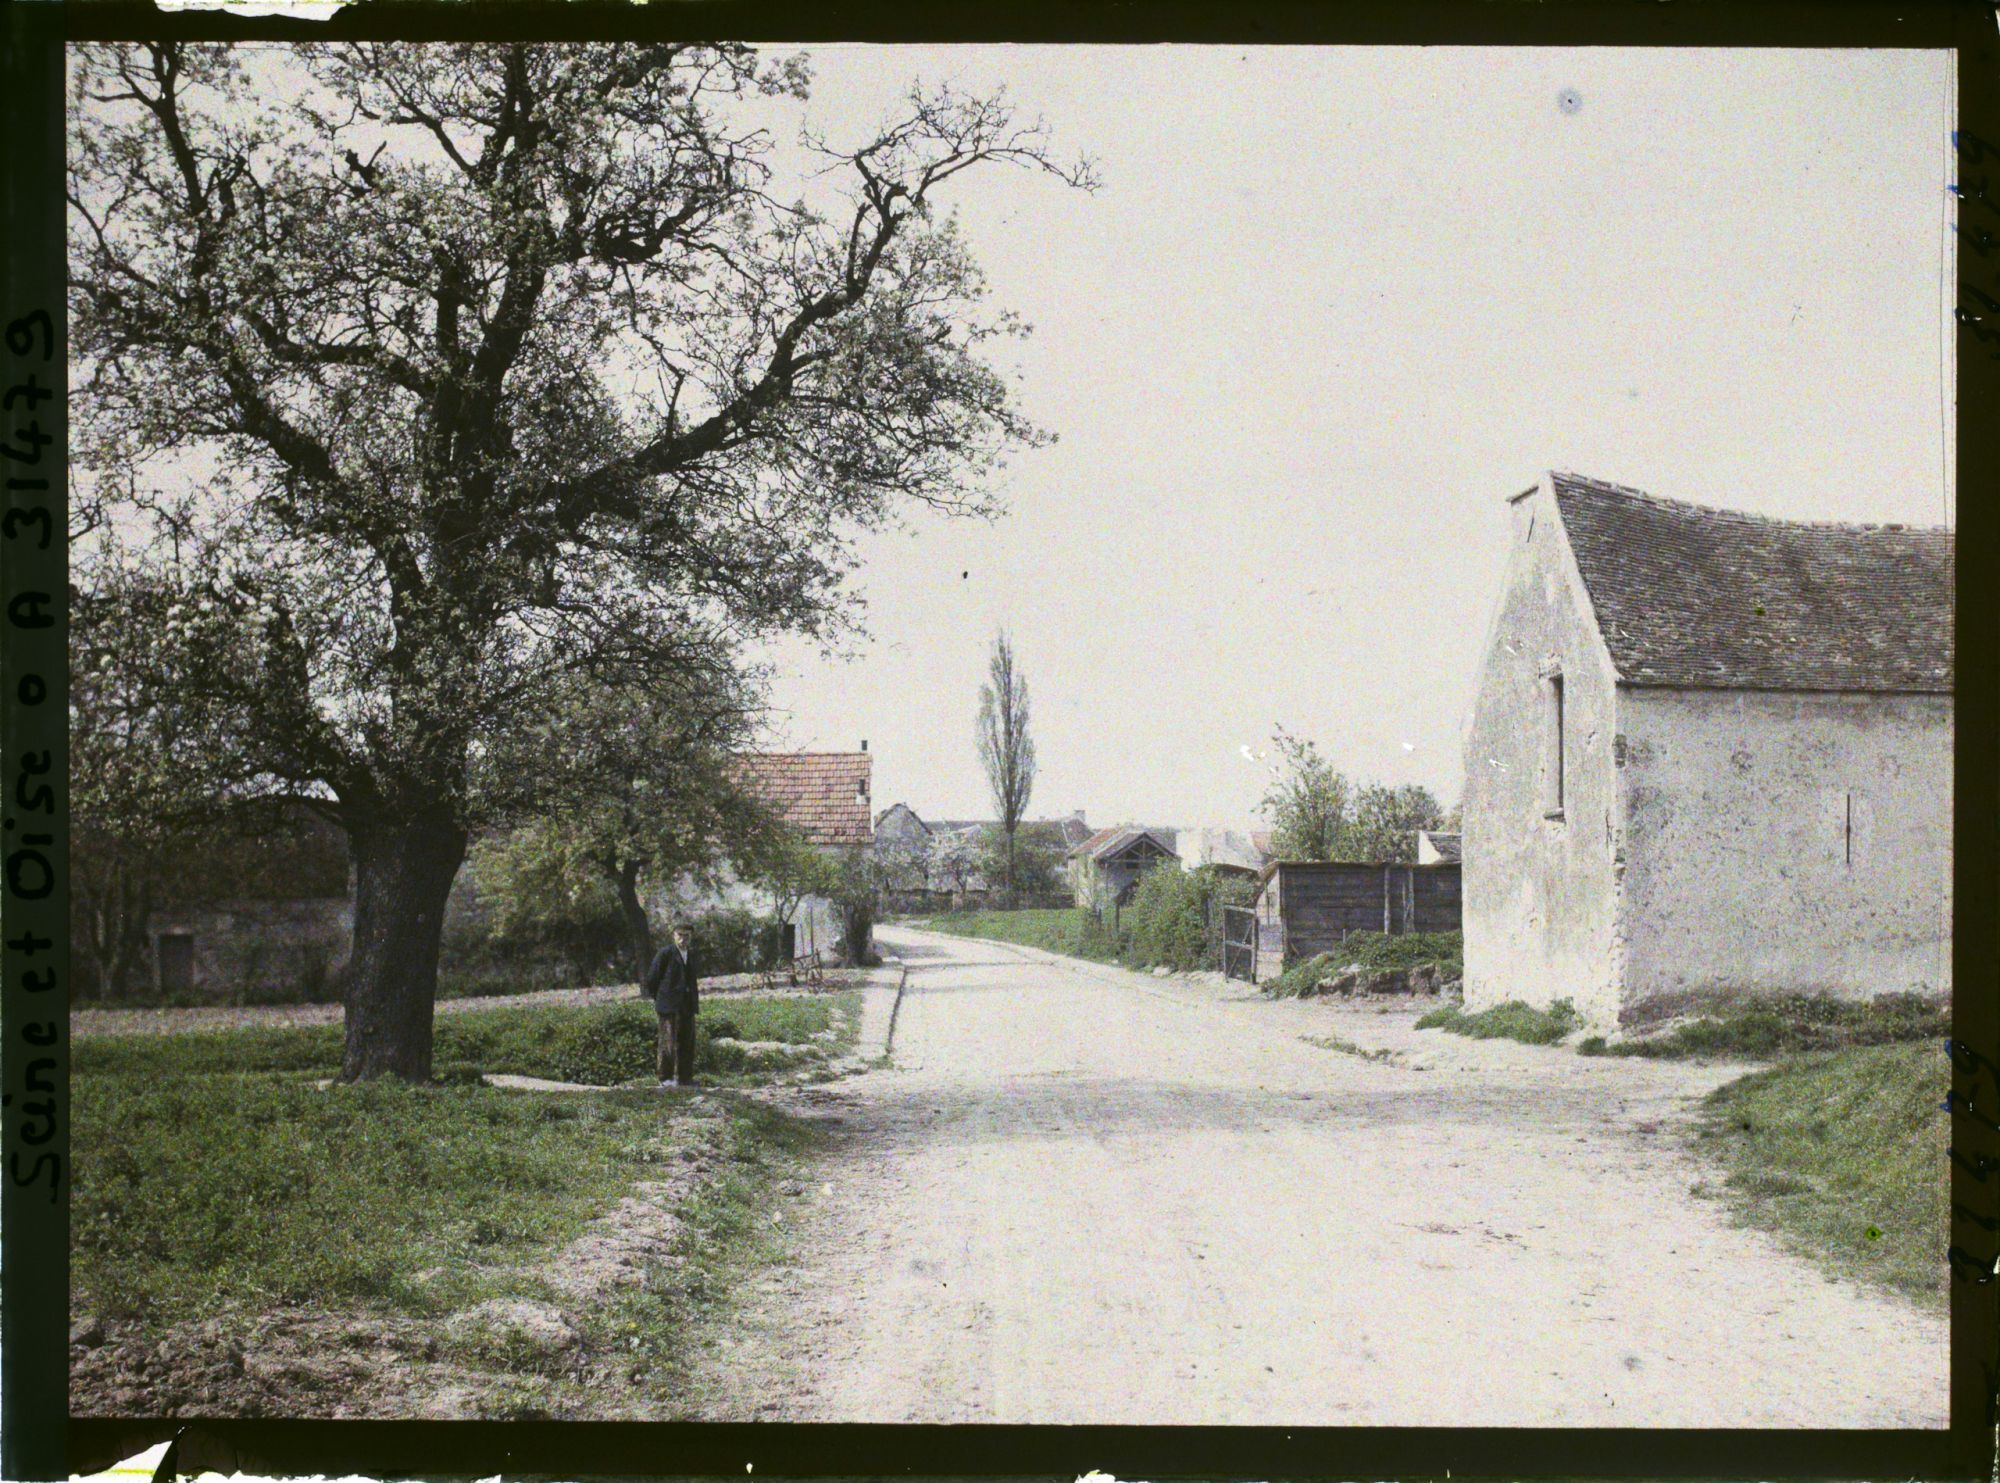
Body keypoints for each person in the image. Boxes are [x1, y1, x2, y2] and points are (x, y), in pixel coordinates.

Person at [642, 923, 699, 1087]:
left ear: (691, 937)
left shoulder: (691, 954)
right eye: (680, 935)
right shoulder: (665, 954)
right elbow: (652, 979)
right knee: (667, 1042)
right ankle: (665, 1078)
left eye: (686, 936)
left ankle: (685, 1078)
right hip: (668, 1005)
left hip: (687, 1005)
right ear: (673, 935)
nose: (683, 939)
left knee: (687, 1041)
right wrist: (661, 998)